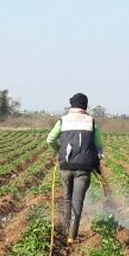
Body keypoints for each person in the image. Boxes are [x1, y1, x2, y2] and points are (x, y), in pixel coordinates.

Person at [45, 93, 103, 243]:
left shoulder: (63, 120)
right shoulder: (91, 121)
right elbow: (99, 146)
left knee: (67, 198)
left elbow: (50, 139)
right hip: (84, 168)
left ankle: (64, 230)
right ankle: (72, 236)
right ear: (85, 106)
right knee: (78, 200)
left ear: (72, 105)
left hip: (65, 165)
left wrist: (59, 150)